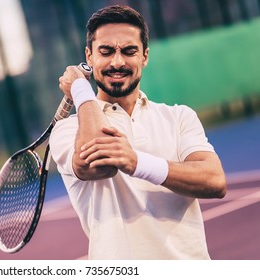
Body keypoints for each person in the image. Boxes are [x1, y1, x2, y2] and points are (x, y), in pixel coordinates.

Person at [49, 4, 227, 260]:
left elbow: (215, 181)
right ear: (89, 57)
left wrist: (136, 162)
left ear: (144, 56)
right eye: (106, 51)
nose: (117, 61)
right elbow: (100, 165)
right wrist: (80, 89)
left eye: (129, 51)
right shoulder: (68, 130)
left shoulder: (179, 116)